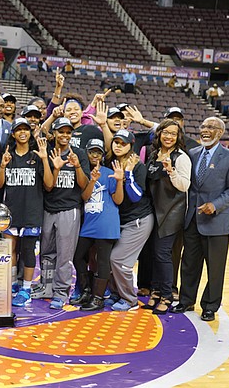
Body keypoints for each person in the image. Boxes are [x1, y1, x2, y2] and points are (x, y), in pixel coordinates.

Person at [172, 117, 229, 322]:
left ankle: (210, 306)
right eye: (203, 126)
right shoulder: (191, 155)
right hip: (192, 219)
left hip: (217, 222)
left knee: (215, 267)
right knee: (189, 264)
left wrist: (216, 204)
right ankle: (186, 300)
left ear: (220, 132)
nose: (205, 130)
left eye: (210, 127)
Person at [0, 118, 53, 307]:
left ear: (30, 133)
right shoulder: (8, 155)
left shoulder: (37, 156)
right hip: (12, 211)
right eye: (18, 129)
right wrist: (3, 166)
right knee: (10, 250)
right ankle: (12, 283)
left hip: (32, 212)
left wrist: (45, 159)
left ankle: (26, 289)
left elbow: (49, 184)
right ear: (12, 134)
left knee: (28, 251)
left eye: (26, 129)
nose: (22, 132)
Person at [35, 117, 90, 309]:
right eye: (61, 131)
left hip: (69, 209)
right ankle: (46, 286)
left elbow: (84, 185)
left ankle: (61, 292)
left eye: (68, 132)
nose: (65, 135)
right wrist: (55, 167)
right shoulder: (47, 153)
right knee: (46, 253)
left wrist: (76, 166)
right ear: (55, 133)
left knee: (64, 256)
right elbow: (48, 186)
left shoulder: (80, 154)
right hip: (48, 208)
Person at [144, 120, 191, 315]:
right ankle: (155, 292)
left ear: (178, 136)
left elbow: (184, 185)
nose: (169, 136)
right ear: (159, 134)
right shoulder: (154, 154)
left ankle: (167, 295)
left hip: (172, 211)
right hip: (155, 209)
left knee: (163, 254)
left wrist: (171, 171)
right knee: (154, 253)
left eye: (173, 133)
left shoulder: (181, 158)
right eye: (166, 132)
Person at [72, 138, 124, 311]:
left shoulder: (109, 173)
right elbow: (85, 197)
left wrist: (119, 181)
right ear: (87, 153)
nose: (95, 155)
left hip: (106, 223)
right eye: (92, 151)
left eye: (98, 152)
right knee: (78, 256)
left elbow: (118, 200)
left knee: (102, 261)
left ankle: (98, 298)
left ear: (102, 155)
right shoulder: (84, 172)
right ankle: (86, 291)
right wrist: (92, 180)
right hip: (89, 223)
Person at [108, 129, 154, 312]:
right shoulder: (110, 162)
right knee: (111, 260)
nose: (118, 146)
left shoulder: (137, 165)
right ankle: (118, 293)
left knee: (119, 260)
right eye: (116, 142)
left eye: (123, 143)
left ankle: (130, 299)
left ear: (130, 146)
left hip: (139, 220)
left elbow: (136, 196)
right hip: (120, 221)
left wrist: (127, 174)